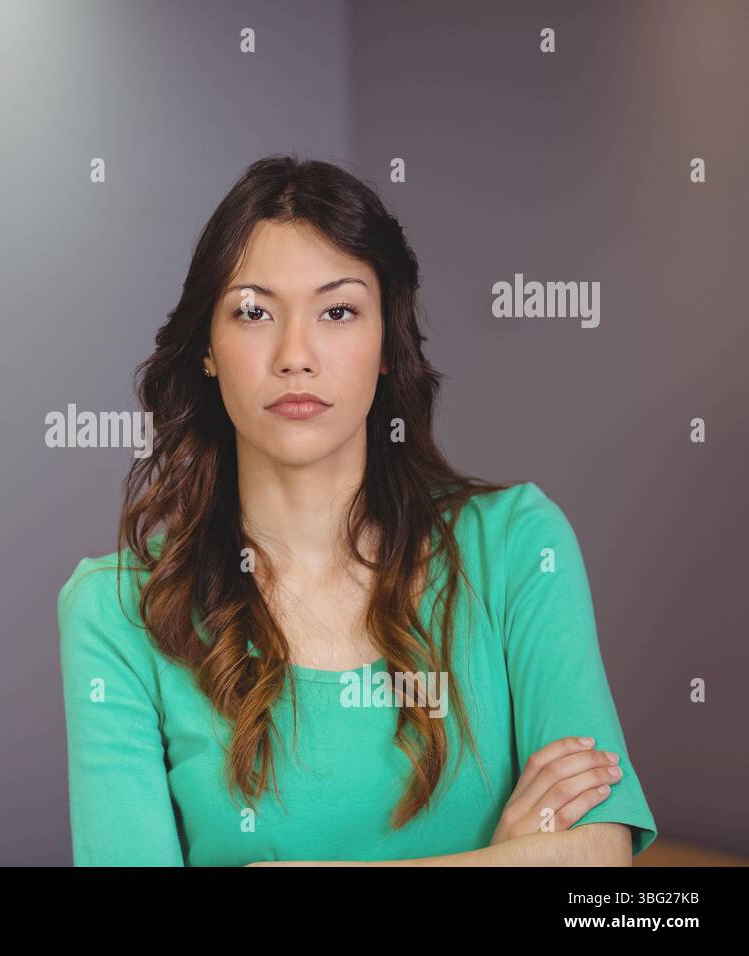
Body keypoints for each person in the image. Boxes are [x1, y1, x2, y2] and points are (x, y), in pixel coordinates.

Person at [57, 155, 657, 866]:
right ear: (209, 352)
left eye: (338, 311)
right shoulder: (115, 610)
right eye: (254, 312)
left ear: (384, 344)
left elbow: (597, 865)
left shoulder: (519, 546)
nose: (296, 355)